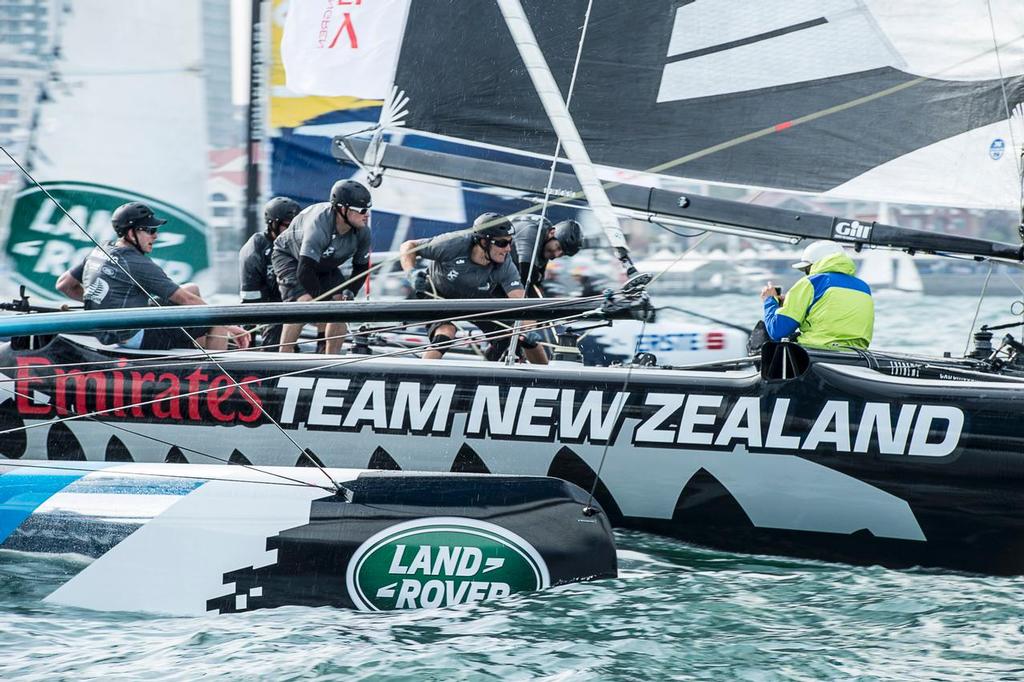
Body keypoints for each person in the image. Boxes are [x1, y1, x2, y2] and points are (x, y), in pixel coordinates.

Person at [56, 202, 249, 351]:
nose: (155, 236)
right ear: (131, 233)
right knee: (216, 323)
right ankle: (214, 381)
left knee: (192, 288)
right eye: (149, 230)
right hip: (133, 336)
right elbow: (185, 300)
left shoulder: (101, 250)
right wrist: (231, 325)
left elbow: (64, 284)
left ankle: (193, 355)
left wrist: (101, 303)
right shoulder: (137, 263)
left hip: (108, 332)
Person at [399, 212, 547, 364]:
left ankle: (545, 380)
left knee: (517, 338)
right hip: (438, 295)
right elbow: (409, 246)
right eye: (502, 243)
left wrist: (529, 329)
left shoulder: (505, 263)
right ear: (483, 241)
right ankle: (423, 372)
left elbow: (521, 302)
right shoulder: (454, 243)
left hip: (474, 300)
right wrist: (410, 273)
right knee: (446, 333)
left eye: (510, 242)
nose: (508, 249)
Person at [272, 179, 372, 354]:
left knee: (341, 304)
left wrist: (351, 292)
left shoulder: (363, 231)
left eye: (368, 210)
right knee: (305, 302)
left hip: (323, 263)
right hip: (291, 257)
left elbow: (361, 269)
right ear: (343, 209)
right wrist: (323, 302)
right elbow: (305, 271)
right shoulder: (318, 225)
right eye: (362, 210)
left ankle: (330, 361)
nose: (367, 215)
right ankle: (283, 356)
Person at [760, 240, 873, 350]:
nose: (807, 274)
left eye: (806, 269)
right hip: (857, 355)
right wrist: (792, 302)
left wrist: (769, 300)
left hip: (817, 353)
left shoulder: (811, 282)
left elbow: (777, 331)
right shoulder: (864, 287)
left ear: (815, 265)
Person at [238, 196, 301, 350]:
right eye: (288, 226)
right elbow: (250, 303)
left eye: (297, 227)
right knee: (276, 330)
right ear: (272, 224)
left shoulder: (301, 243)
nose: (293, 232)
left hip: (297, 303)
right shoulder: (254, 250)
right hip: (268, 306)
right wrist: (248, 345)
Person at [510, 216, 584, 296]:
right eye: (558, 247)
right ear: (552, 233)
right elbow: (526, 274)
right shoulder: (532, 231)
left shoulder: (546, 246)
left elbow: (537, 283)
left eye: (562, 254)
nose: (556, 255)